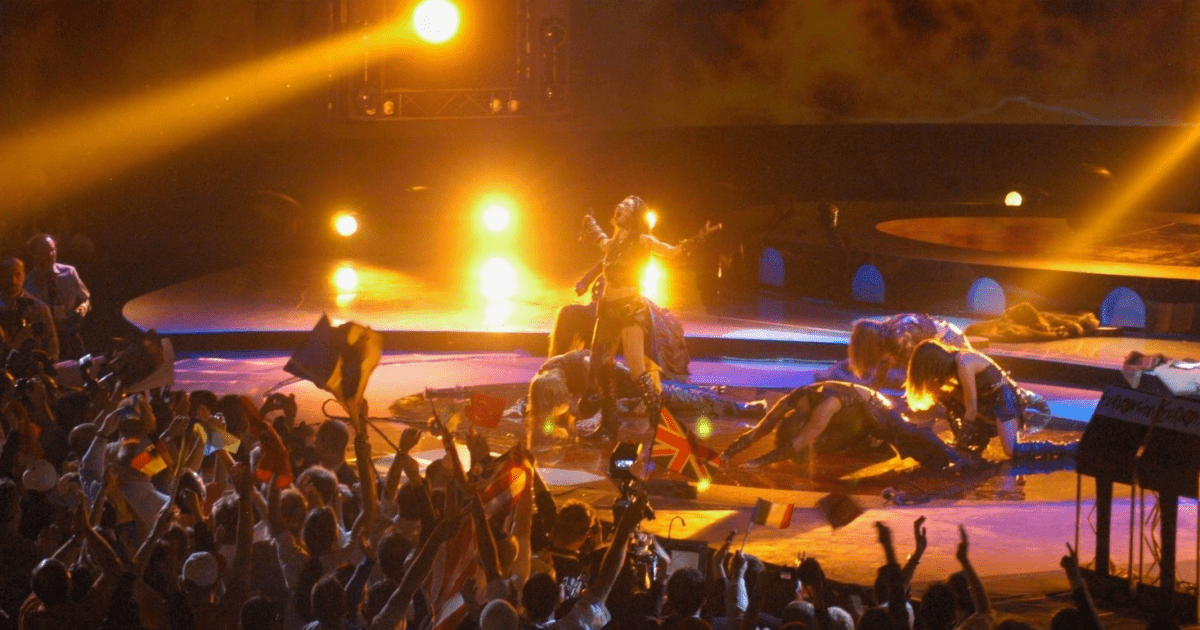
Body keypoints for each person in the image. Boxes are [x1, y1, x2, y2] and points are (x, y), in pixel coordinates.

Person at [579, 196, 720, 444]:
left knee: (637, 371)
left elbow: (673, 252)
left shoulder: (643, 241)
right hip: (607, 311)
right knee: (600, 365)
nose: (620, 207)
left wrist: (699, 237)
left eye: (626, 206)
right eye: (620, 204)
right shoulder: (613, 244)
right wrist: (589, 221)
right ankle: (609, 425)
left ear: (635, 215)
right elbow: (599, 237)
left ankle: (661, 424)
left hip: (630, 311)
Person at [719, 381, 961, 471]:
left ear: (809, 399)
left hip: (873, 408)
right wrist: (730, 451)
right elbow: (762, 428)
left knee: (908, 436)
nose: (799, 412)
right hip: (850, 419)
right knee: (816, 446)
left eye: (801, 410)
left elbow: (802, 440)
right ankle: (870, 444)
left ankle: (953, 456)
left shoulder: (827, 405)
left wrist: (761, 462)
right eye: (796, 410)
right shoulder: (792, 400)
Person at [905, 340, 1072, 459]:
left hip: (1003, 400)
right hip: (987, 402)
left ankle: (1068, 449)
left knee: (1012, 450)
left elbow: (972, 409)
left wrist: (960, 445)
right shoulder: (953, 368)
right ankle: (976, 438)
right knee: (945, 394)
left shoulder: (963, 363)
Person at [832, 313, 971, 389]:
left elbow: (920, 366)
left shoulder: (897, 336)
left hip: (954, 349)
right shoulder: (888, 333)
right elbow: (882, 370)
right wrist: (869, 393)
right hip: (947, 348)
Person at [24, 234, 90, 360]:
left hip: (71, 335)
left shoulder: (69, 272)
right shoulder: (28, 283)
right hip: (47, 340)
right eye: (44, 252)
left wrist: (83, 308)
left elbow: (85, 298)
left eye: (52, 250)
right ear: (34, 255)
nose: (50, 255)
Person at [0, 256, 58, 363]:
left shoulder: (39, 309)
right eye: (7, 275)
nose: (13, 280)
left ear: (24, 276)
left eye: (17, 274)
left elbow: (52, 348)